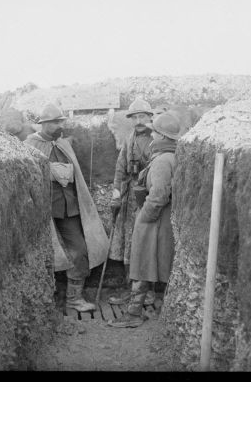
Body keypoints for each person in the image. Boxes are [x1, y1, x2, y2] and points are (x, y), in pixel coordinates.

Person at [25, 104, 109, 312]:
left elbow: (76, 177)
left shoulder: (63, 144)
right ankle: (42, 302)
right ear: (43, 124)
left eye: (60, 121)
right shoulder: (30, 145)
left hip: (69, 209)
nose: (59, 126)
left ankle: (74, 298)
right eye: (54, 122)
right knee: (43, 255)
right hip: (44, 213)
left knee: (79, 250)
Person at [108, 112, 181, 328]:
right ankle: (153, 309)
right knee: (151, 263)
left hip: (154, 221)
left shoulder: (162, 161)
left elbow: (158, 194)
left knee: (141, 262)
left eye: (156, 132)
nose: (153, 135)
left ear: (163, 136)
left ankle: (133, 313)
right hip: (161, 220)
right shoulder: (168, 156)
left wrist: (144, 217)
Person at [108, 98, 155, 306]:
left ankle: (149, 293)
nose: (139, 121)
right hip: (130, 199)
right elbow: (120, 169)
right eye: (135, 117)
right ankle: (132, 291)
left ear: (150, 117)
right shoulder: (129, 139)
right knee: (129, 244)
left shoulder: (156, 139)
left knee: (146, 244)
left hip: (149, 199)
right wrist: (116, 195)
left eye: (142, 116)